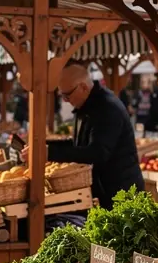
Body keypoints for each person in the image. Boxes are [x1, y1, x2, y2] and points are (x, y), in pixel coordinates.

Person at [46, 63, 143, 208]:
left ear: (83, 87)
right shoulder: (87, 105)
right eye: (62, 96)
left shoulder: (107, 108)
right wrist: (45, 147)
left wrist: (49, 152)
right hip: (105, 190)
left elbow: (97, 153)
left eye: (67, 95)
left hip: (121, 193)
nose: (65, 100)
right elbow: (78, 144)